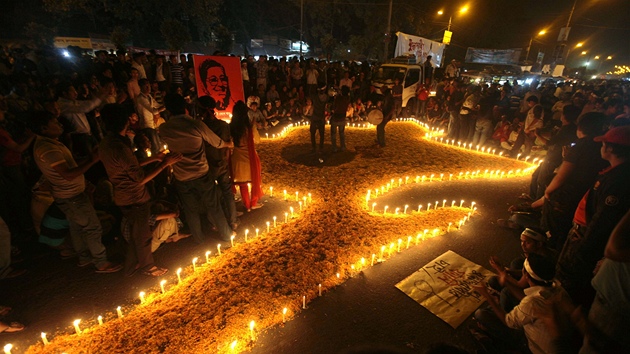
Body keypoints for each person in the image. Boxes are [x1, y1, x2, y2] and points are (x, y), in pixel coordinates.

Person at [31, 112, 121, 273]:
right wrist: (93, 160)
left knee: (77, 227)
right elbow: (68, 174)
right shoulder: (47, 149)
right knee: (92, 227)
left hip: (68, 195)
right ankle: (101, 263)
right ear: (44, 128)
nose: (59, 125)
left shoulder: (52, 144)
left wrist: (89, 159)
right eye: (54, 122)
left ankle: (84, 257)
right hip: (71, 196)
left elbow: (70, 165)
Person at [99, 104, 181, 277]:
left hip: (122, 196)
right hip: (134, 197)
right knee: (142, 236)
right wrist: (165, 163)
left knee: (137, 233)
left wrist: (154, 159)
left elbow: (127, 166)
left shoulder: (107, 143)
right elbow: (139, 179)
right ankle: (148, 267)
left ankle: (130, 267)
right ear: (125, 121)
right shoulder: (120, 147)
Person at [555, 125, 630, 307]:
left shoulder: (618, 181)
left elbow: (603, 220)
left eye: (604, 143)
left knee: (568, 278)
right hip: (584, 232)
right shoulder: (614, 173)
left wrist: (584, 246)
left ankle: (560, 316)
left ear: (611, 148)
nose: (601, 147)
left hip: (584, 237)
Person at [159, 94, 234, 244]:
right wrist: (228, 144)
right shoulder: (195, 125)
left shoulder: (164, 128)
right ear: (186, 109)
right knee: (214, 206)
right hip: (201, 173)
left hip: (181, 175)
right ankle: (226, 235)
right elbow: (216, 143)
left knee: (190, 209)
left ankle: (199, 239)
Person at [474, 253, 571, 354]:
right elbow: (526, 299)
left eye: (523, 271)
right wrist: (503, 275)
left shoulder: (531, 302)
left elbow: (508, 321)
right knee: (503, 290)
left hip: (534, 345)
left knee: (480, 314)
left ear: (526, 276)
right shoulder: (556, 287)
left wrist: (487, 296)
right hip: (562, 340)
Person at [199, 96, 239, 231]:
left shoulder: (201, 127)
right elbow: (228, 146)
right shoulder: (223, 125)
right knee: (227, 192)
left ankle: (215, 222)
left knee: (211, 195)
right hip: (221, 163)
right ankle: (233, 221)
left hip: (208, 165)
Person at [230, 101, 263, 212]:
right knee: (255, 180)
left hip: (237, 159)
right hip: (250, 158)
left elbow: (229, 144)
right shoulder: (248, 128)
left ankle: (247, 205)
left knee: (243, 184)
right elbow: (257, 140)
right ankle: (253, 202)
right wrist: (253, 126)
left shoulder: (231, 128)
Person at [135, 78, 165, 155]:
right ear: (141, 87)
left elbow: (157, 105)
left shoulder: (149, 97)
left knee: (158, 145)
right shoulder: (140, 98)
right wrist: (161, 108)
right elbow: (153, 110)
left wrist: (165, 105)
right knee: (154, 147)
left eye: (149, 86)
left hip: (152, 125)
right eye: (146, 87)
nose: (148, 88)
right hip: (146, 125)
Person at [330, 85, 351, 152]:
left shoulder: (338, 98)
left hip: (336, 117)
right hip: (342, 118)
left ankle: (334, 148)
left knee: (333, 133)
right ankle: (343, 147)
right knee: (341, 133)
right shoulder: (347, 98)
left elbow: (334, 107)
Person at [310, 85, 328, 153]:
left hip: (315, 117)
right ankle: (321, 148)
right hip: (321, 117)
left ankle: (314, 147)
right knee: (321, 134)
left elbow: (310, 93)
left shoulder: (315, 97)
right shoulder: (326, 97)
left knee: (312, 133)